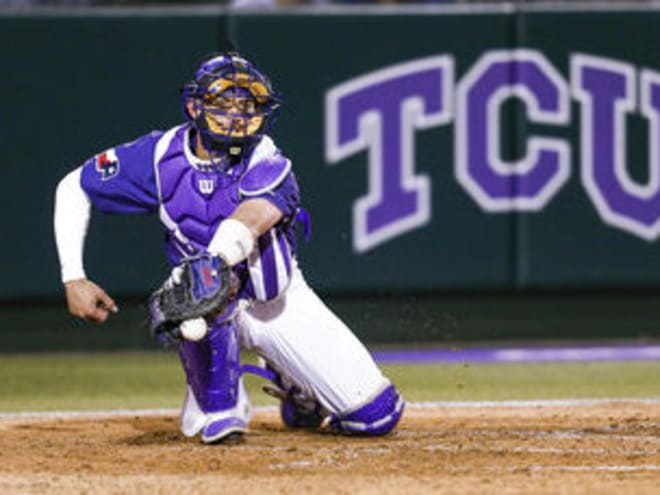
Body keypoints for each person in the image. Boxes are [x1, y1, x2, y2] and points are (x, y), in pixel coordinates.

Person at [53, 52, 404, 444]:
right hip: (206, 310)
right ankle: (220, 398)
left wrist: (214, 262)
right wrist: (74, 276)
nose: (237, 115)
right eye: (225, 104)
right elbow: (73, 186)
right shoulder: (158, 156)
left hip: (276, 304)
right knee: (217, 425)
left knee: (377, 416)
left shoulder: (269, 159)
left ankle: (297, 385)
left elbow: (252, 215)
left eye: (247, 104)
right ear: (194, 106)